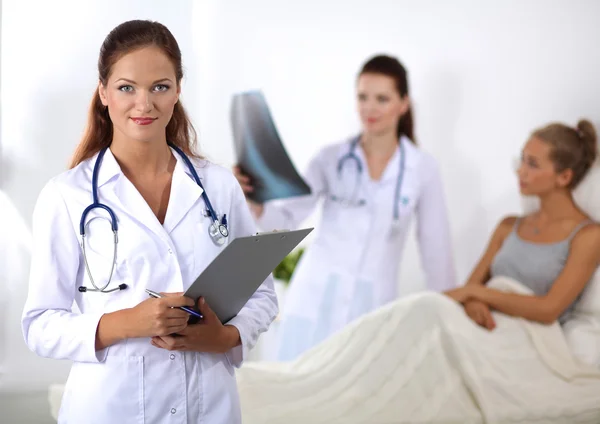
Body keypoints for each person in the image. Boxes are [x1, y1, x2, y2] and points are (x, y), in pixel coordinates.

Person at [234, 119, 600, 423]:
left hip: (524, 336)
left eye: (533, 164)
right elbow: (468, 289)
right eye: (521, 159)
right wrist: (472, 300)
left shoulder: (588, 235)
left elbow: (550, 308)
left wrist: (478, 295)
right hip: (479, 320)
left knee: (423, 319)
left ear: (564, 176)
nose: (520, 170)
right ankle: (311, 385)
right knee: (414, 316)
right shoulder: (509, 225)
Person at [21, 20, 278, 424]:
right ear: (103, 93)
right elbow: (39, 325)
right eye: (127, 88)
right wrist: (127, 323)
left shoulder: (217, 186)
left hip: (208, 405)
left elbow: (261, 295)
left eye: (160, 86)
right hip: (111, 408)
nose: (144, 104)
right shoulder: (66, 196)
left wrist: (226, 337)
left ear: (177, 91)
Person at [234, 54, 456, 361]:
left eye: (382, 98)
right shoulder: (331, 159)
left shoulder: (422, 168)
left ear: (403, 104)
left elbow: (437, 251)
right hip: (313, 299)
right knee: (296, 390)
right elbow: (286, 217)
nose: (369, 108)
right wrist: (254, 201)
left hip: (373, 306)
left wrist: (446, 316)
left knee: (359, 396)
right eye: (363, 97)